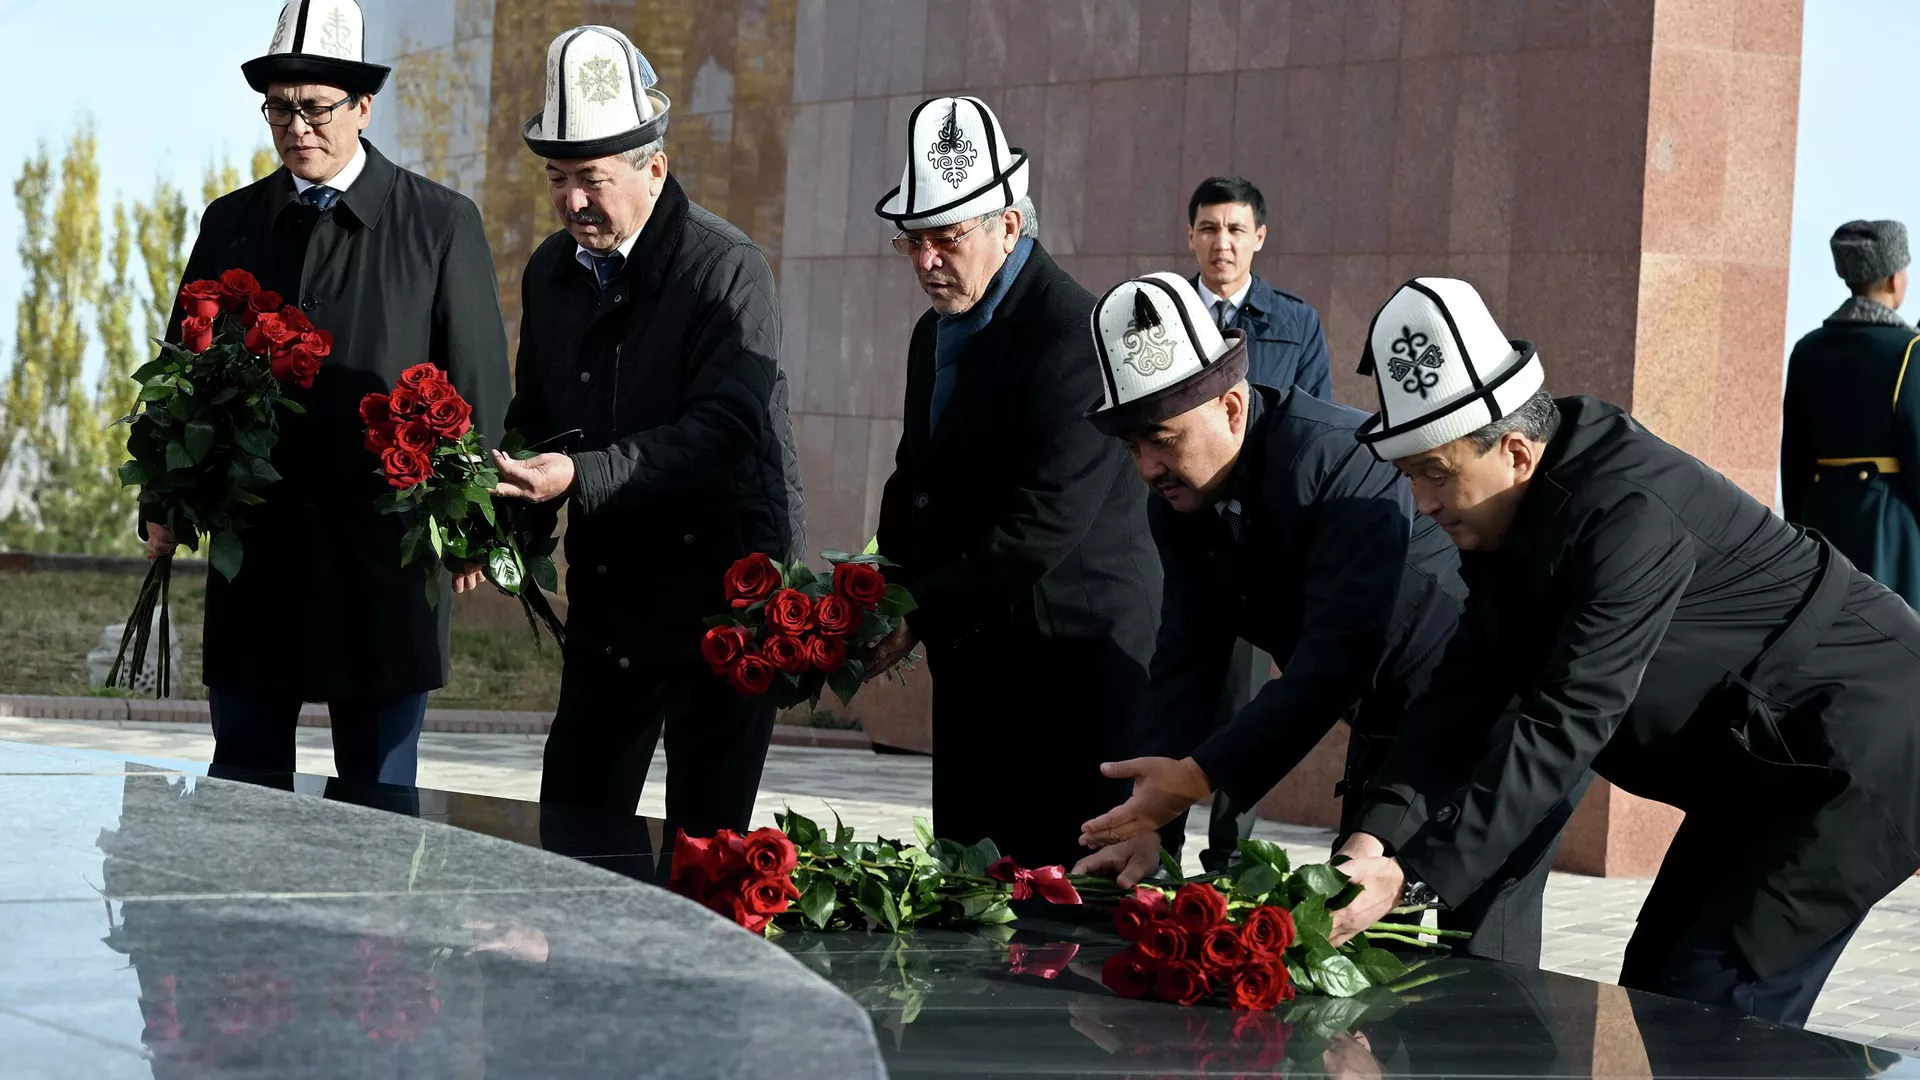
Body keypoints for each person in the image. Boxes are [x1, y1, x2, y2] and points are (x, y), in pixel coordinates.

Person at [1326, 277, 1920, 1027]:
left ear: (1515, 451)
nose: (1422, 503)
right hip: (1759, 766)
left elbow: (1567, 719)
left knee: (1710, 1013)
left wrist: (1414, 879)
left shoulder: (1625, 507)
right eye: (1409, 477)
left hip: (1855, 748)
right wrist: (1373, 838)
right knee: (1658, 992)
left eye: (1435, 475)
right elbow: (1463, 692)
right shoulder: (1508, 515)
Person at [1068, 273, 1575, 964]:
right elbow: (1186, 658)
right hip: (1390, 734)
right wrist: (1147, 821)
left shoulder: (1340, 460)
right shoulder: (1179, 504)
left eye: (1161, 439)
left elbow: (1338, 657)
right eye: (1131, 448)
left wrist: (1202, 774)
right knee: (1357, 947)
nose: (1148, 468)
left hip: (1494, 731)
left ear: (1232, 407)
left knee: (1484, 959)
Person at [143, 0, 510, 786]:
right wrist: (164, 495)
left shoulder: (440, 224)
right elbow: (183, 363)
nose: (296, 127)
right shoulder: (232, 222)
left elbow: (478, 385)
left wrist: (476, 524)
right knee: (243, 791)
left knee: (379, 802)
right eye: (279, 109)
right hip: (257, 556)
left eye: (316, 107)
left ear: (364, 107)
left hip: (383, 561)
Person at [494, 26, 804, 836]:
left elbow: (725, 429)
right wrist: (503, 522)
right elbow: (537, 417)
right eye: (557, 179)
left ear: (654, 169)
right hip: (611, 601)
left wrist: (580, 475)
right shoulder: (551, 271)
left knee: (706, 852)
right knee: (573, 833)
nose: (572, 202)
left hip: (726, 603)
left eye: (592, 180)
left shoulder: (725, 267)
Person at [863, 96, 1161, 869]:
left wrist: (916, 609)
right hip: (978, 652)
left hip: (1069, 670)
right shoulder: (934, 333)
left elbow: (1041, 524)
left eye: (947, 239)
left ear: (1009, 225)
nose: (927, 261)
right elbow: (915, 476)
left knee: (1063, 898)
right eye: (913, 241)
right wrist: (876, 589)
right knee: (974, 884)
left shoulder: (1075, 336)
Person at [1183, 176, 1337, 866]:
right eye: (1209, 228)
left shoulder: (1295, 323)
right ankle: (1151, 842)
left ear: (1259, 238)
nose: (1222, 243)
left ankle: (1226, 861)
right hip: (1178, 537)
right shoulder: (1161, 312)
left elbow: (1314, 434)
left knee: (1249, 706)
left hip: (1254, 545)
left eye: (1235, 230)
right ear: (1190, 236)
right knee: (1172, 688)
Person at [1782, 219, 1920, 608]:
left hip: (1820, 523)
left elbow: (1793, 458)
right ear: (1894, 279)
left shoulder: (1807, 349)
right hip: (1888, 531)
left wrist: (1797, 529)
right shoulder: (1909, 352)